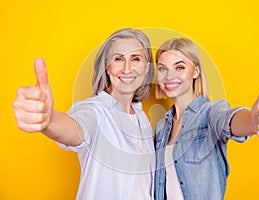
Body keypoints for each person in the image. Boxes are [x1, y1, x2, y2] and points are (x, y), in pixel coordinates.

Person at [13, 28, 156, 200]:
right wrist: (49, 120)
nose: (127, 68)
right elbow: (75, 129)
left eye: (136, 59)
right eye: (118, 59)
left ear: (146, 68)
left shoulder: (143, 119)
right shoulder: (94, 111)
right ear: (107, 67)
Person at [153, 38, 259, 200]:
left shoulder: (210, 112)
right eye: (162, 68)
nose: (169, 76)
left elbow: (228, 121)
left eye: (179, 67)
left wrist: (252, 121)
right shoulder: (162, 128)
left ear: (195, 71)